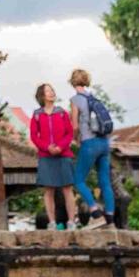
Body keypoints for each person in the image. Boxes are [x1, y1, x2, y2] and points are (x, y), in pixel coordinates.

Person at [67, 68, 117, 228]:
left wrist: (75, 140)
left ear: (73, 82)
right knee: (105, 182)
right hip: (104, 143)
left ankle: (95, 212)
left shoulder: (75, 100)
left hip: (89, 143)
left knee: (78, 180)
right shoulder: (95, 99)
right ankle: (110, 217)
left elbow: (75, 125)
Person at [28, 83, 79, 231]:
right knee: (48, 190)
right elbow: (34, 136)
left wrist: (60, 147)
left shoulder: (61, 113)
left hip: (63, 155)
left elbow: (69, 133)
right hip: (46, 156)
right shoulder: (37, 115)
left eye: (52, 91)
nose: (51, 93)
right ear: (42, 96)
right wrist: (47, 147)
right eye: (47, 91)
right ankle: (52, 222)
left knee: (67, 189)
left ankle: (71, 221)